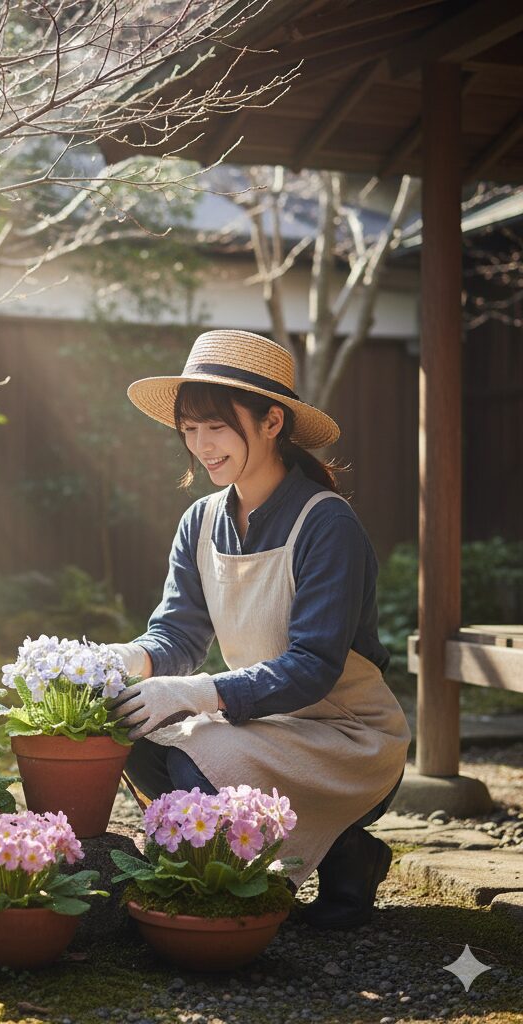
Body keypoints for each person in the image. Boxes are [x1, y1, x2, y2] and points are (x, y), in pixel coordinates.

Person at [106, 329, 411, 931]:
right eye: (189, 430)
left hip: (347, 735)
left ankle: (256, 883)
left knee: (204, 759)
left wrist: (195, 693)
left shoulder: (328, 525)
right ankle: (321, 859)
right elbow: (178, 635)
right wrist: (126, 660)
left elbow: (314, 666)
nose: (201, 446)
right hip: (265, 724)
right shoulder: (200, 522)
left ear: (272, 422)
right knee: (134, 732)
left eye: (215, 427)